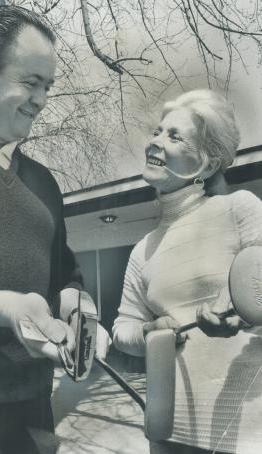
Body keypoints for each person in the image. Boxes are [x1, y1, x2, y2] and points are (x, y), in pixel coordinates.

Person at [0, 5, 110, 454]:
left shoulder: (44, 184)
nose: (42, 100)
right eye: (30, 82)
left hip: (33, 419)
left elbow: (65, 282)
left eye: (48, 86)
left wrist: (82, 320)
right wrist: (7, 307)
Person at [113, 89, 262, 454]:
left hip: (244, 431)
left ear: (209, 165)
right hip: (167, 431)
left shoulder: (238, 209)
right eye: (157, 132)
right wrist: (150, 331)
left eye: (174, 136)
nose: (155, 143)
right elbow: (122, 329)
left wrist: (239, 319)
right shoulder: (142, 248)